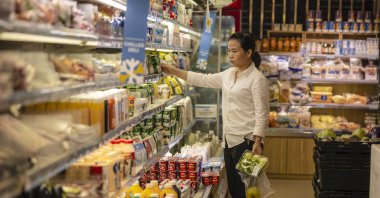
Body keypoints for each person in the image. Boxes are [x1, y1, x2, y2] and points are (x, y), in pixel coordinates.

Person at [160, 32, 269, 198]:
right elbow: (203, 79)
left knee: (246, 189)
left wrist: (258, 141)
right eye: (229, 51)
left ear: (249, 52)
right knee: (234, 186)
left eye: (235, 51)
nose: (230, 55)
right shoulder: (229, 74)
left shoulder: (257, 79)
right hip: (229, 139)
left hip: (246, 141)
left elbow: (262, 112)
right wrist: (174, 71)